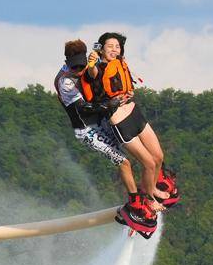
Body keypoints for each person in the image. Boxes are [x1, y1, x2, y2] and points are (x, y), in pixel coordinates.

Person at [55, 39, 155, 236]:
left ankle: (146, 195)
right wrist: (110, 104)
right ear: (67, 61)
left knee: (134, 148)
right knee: (124, 162)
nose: (78, 70)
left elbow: (108, 57)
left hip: (102, 121)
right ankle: (135, 206)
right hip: (87, 130)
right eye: (74, 66)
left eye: (81, 65)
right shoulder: (65, 80)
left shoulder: (90, 60)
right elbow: (82, 107)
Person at [90, 32, 179, 210]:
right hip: (121, 123)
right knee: (148, 163)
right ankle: (148, 199)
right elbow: (93, 74)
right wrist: (91, 61)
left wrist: (129, 92)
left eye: (117, 46)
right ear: (101, 50)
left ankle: (152, 188)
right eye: (110, 47)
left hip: (135, 114)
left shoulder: (120, 63)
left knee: (158, 157)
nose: (114, 50)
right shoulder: (97, 67)